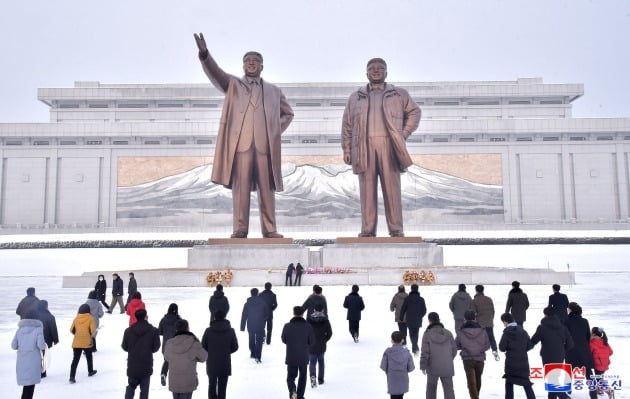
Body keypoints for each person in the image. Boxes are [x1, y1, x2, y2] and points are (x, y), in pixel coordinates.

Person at [193, 33, 294, 239]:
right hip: (241, 147)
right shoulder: (233, 85)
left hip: (265, 149)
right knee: (241, 190)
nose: (251, 64)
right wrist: (205, 54)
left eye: (255, 61)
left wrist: (273, 131)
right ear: (243, 66)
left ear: (262, 66)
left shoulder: (274, 91)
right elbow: (216, 73)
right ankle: (240, 229)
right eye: (247, 61)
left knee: (267, 189)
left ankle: (270, 229)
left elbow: (288, 114)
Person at [341, 57, 421, 237]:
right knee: (367, 191)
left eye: (380, 68)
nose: (376, 71)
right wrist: (347, 149)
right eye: (372, 68)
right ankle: (368, 230)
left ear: (386, 72)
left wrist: (403, 134)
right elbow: (347, 125)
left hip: (389, 147)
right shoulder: (355, 97)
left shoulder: (399, 94)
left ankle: (396, 229)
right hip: (363, 147)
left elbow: (415, 112)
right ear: (366, 73)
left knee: (392, 189)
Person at [531, 307, 574, 399]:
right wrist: (562, 350)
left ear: (545, 315)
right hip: (559, 356)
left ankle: (564, 397)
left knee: (551, 380)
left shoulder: (542, 327)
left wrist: (522, 347)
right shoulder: (563, 327)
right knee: (553, 378)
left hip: (547, 356)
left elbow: (533, 341)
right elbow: (570, 344)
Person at [121, 308, 161, 399]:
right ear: (146, 317)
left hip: (133, 364)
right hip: (146, 364)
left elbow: (124, 346)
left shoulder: (128, 331)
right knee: (144, 389)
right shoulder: (154, 331)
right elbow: (156, 348)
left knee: (131, 386)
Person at [164, 319, 208, 399]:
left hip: (174, 382)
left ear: (176, 329)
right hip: (188, 382)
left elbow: (167, 357)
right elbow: (204, 357)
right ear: (187, 328)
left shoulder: (169, 343)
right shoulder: (194, 342)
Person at [202, 310, 239, 399]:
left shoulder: (208, 331)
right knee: (222, 388)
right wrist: (225, 351)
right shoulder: (230, 330)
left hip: (212, 363)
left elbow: (203, 346)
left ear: (214, 317)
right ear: (225, 317)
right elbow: (235, 347)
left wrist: (211, 351)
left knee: (212, 385)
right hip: (224, 362)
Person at [419, 312, 457, 399]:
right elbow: (454, 350)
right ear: (439, 320)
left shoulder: (427, 334)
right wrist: (448, 359)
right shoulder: (448, 333)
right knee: (449, 389)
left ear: (429, 321)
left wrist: (423, 366)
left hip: (432, 366)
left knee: (431, 389)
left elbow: (425, 352)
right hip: (447, 366)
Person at [499, 312, 536, 399]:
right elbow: (530, 345)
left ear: (505, 322)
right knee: (526, 383)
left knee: (509, 382)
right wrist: (521, 350)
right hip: (523, 361)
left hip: (511, 362)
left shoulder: (507, 333)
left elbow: (501, 348)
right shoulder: (522, 331)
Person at [564, 302, 597, 399]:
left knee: (569, 370)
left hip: (571, 350)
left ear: (571, 310)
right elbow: (588, 336)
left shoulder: (567, 321)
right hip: (584, 350)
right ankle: (593, 393)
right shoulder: (585, 321)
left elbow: (565, 337)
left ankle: (568, 390)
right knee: (588, 372)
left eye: (568, 309)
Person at [455, 310, 490, 399]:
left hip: (467, 359)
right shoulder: (482, 330)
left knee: (471, 382)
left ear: (465, 319)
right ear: (474, 318)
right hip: (480, 358)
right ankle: (476, 396)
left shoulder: (461, 331)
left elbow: (457, 345)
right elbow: (487, 346)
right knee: (478, 380)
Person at [12, 310, 46, 399]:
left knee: (26, 387)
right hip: (33, 361)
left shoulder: (19, 330)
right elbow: (41, 346)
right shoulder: (38, 329)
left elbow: (13, 345)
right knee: (30, 387)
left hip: (22, 361)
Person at [281, 306, 314, 399]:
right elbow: (311, 341)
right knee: (302, 377)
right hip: (303, 356)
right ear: (303, 314)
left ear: (293, 313)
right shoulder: (308, 326)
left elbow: (284, 339)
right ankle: (300, 396)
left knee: (291, 377)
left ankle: (292, 391)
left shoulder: (287, 326)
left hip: (291, 355)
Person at [380, 331, 415, 399]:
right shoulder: (406, 352)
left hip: (392, 379)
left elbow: (383, 366)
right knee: (400, 396)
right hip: (403, 379)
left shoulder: (388, 352)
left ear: (392, 341)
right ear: (402, 340)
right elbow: (411, 368)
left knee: (393, 396)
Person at [69, 304, 97, 383]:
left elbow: (71, 330)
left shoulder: (76, 318)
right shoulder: (90, 318)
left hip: (76, 342)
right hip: (86, 341)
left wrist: (78, 334)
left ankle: (72, 377)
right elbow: (93, 331)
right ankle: (90, 371)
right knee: (89, 356)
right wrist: (90, 335)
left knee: (75, 360)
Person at [240, 288, 270, 363]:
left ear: (251, 294)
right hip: (260, 324)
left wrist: (242, 327)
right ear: (258, 293)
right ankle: (258, 356)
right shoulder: (263, 302)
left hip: (250, 324)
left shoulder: (247, 303)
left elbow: (244, 315)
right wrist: (263, 320)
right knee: (259, 340)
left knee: (251, 339)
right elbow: (267, 314)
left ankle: (253, 353)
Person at [472, 284, 499, 361]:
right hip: (489, 322)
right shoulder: (489, 299)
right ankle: (494, 350)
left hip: (480, 323)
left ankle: (481, 354)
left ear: (476, 291)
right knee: (491, 338)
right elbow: (493, 311)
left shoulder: (474, 301)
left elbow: (473, 313)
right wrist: (490, 319)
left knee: (480, 339)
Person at [308, 303, 332, 387]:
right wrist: (325, 339)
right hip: (321, 344)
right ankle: (321, 379)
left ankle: (312, 376)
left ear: (314, 309)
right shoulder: (325, 320)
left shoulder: (309, 320)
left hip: (311, 345)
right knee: (321, 362)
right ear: (322, 310)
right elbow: (330, 333)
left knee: (312, 362)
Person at [399, 283, 427, 355]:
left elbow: (403, 309)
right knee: (416, 334)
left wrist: (401, 317)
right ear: (417, 289)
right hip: (418, 319)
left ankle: (415, 348)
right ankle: (415, 347)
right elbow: (424, 310)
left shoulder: (407, 299)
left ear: (411, 289)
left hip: (409, 319)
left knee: (411, 334)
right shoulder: (421, 299)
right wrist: (420, 316)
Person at [158, 303, 182, 386]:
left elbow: (160, 331)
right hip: (176, 345)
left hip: (166, 345)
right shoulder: (179, 320)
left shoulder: (163, 320)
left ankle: (163, 373)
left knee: (167, 360)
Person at [35, 300, 59, 377]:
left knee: (36, 355)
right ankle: (42, 372)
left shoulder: (33, 315)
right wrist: (55, 339)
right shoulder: (50, 316)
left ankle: (36, 371)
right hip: (45, 339)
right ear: (46, 306)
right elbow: (53, 329)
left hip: (34, 338)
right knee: (43, 355)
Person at [589, 327, 613, 396]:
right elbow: (611, 352)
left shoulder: (592, 343)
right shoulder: (604, 342)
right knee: (600, 377)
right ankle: (600, 390)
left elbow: (589, 353)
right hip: (605, 364)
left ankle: (608, 390)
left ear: (593, 334)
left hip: (598, 365)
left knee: (599, 379)